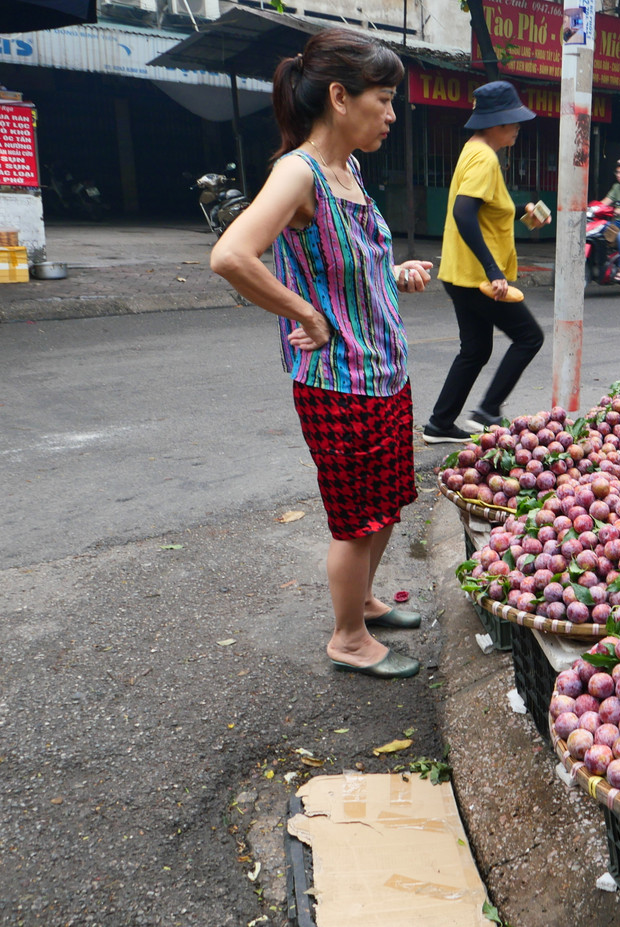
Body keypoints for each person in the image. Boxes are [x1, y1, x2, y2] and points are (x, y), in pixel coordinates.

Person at [210, 29, 434, 679]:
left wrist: (398, 272)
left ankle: (362, 601)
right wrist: (303, 312)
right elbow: (231, 254)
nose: (391, 115)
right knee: (355, 518)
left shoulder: (350, 169)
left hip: (385, 371)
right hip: (338, 383)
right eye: (384, 100)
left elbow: (349, 266)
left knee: (388, 501)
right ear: (340, 96)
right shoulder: (298, 172)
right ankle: (348, 637)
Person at [423, 81, 550, 443]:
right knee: (529, 337)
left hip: (460, 273)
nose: (518, 127)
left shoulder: (474, 150)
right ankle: (487, 411)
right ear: (495, 123)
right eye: (513, 121)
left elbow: (482, 212)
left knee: (476, 349)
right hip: (477, 277)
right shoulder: (484, 157)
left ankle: (440, 423)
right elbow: (464, 212)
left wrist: (522, 214)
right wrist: (494, 270)